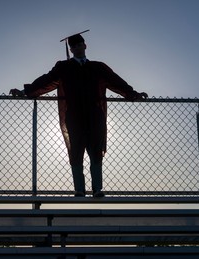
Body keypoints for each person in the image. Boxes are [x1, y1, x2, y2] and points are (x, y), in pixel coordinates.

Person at [10, 30, 147, 198]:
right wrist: (25, 91)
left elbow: (116, 82)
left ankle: (97, 189)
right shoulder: (64, 67)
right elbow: (45, 80)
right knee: (76, 150)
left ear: (85, 45)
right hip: (73, 115)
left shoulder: (98, 67)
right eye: (73, 45)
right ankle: (79, 189)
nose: (76, 47)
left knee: (95, 150)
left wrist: (133, 94)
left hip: (95, 114)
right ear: (71, 49)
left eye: (79, 44)